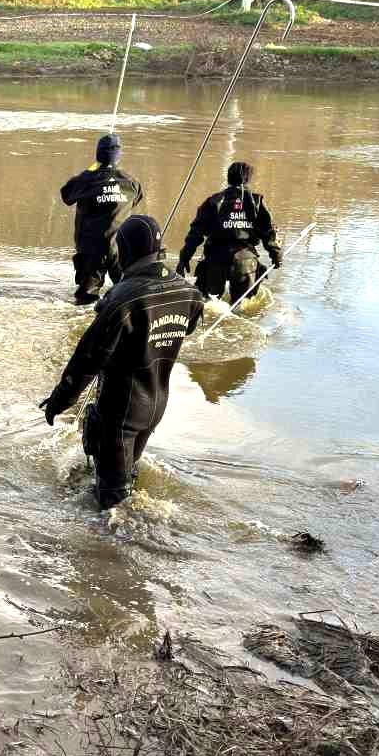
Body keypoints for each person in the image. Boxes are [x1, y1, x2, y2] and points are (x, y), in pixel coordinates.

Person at [39, 214, 204, 510]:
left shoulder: (124, 299)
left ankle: (119, 550)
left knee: (113, 505)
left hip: (120, 411)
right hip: (155, 405)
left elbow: (87, 358)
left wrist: (59, 400)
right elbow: (186, 326)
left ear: (126, 250)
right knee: (125, 478)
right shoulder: (189, 292)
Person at [175, 161, 282, 303]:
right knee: (242, 307)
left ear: (228, 177)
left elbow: (195, 233)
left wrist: (184, 258)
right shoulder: (257, 201)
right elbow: (268, 232)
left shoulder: (212, 201)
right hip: (245, 261)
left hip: (215, 260)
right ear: (248, 179)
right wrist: (276, 254)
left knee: (209, 304)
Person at [60, 133, 144, 307]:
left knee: (85, 300)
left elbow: (66, 195)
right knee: (127, 297)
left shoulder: (85, 180)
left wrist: (93, 169)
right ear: (119, 155)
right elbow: (135, 201)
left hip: (91, 250)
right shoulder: (132, 183)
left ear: (98, 155)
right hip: (120, 250)